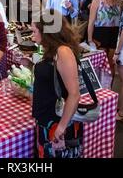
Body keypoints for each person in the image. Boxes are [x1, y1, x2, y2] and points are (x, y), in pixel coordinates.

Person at [31, 9, 82, 158]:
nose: (32, 36)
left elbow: (74, 94)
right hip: (46, 121)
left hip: (57, 123)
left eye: (35, 32)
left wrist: (62, 126)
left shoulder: (63, 52)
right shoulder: (52, 51)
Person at [87, 0, 123, 77]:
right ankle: (99, 88)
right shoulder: (98, 0)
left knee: (111, 62)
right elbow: (91, 21)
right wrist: (90, 40)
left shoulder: (120, 1)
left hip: (114, 34)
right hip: (100, 33)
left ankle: (109, 88)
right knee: (100, 63)